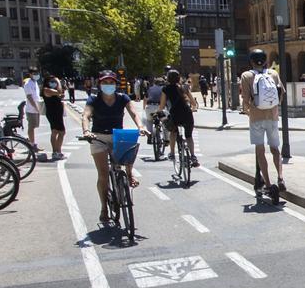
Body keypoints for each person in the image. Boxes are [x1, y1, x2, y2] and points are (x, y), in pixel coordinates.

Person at [82, 71, 147, 223]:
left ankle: (129, 175)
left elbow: (133, 112)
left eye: (111, 82)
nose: (108, 85)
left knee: (130, 145)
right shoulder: (93, 99)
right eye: (105, 83)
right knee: (103, 175)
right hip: (98, 137)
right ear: (100, 84)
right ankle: (104, 207)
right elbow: (86, 115)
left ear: (116, 84)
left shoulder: (122, 98)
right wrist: (86, 131)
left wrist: (140, 126)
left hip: (117, 135)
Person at [240, 49, 286, 193]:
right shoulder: (273, 74)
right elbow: (281, 93)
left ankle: (267, 183)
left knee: (260, 151)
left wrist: (248, 112)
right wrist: (274, 107)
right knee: (275, 149)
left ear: (251, 61)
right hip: (272, 116)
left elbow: (245, 100)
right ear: (266, 61)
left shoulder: (246, 76)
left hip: (256, 118)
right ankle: (280, 178)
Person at [158, 69, 199, 168]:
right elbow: (193, 103)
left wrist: (159, 113)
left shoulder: (165, 89)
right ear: (179, 78)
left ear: (167, 79)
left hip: (175, 114)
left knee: (173, 132)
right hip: (187, 114)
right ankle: (193, 156)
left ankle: (172, 153)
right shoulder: (184, 87)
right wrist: (192, 107)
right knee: (188, 136)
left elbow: (162, 106)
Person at [41, 73, 66, 161]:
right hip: (53, 113)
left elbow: (59, 94)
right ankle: (56, 152)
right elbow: (59, 91)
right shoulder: (46, 89)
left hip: (57, 113)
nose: (54, 83)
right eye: (52, 81)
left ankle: (57, 151)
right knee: (58, 132)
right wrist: (58, 81)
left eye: (54, 81)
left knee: (58, 132)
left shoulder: (51, 90)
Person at [22, 66, 43, 152]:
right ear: (30, 74)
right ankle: (32, 144)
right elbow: (29, 97)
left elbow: (36, 96)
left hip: (36, 108)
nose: (36, 75)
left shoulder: (35, 82)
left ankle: (32, 142)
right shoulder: (28, 84)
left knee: (34, 126)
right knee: (31, 127)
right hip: (31, 109)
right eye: (34, 74)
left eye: (37, 73)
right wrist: (36, 107)